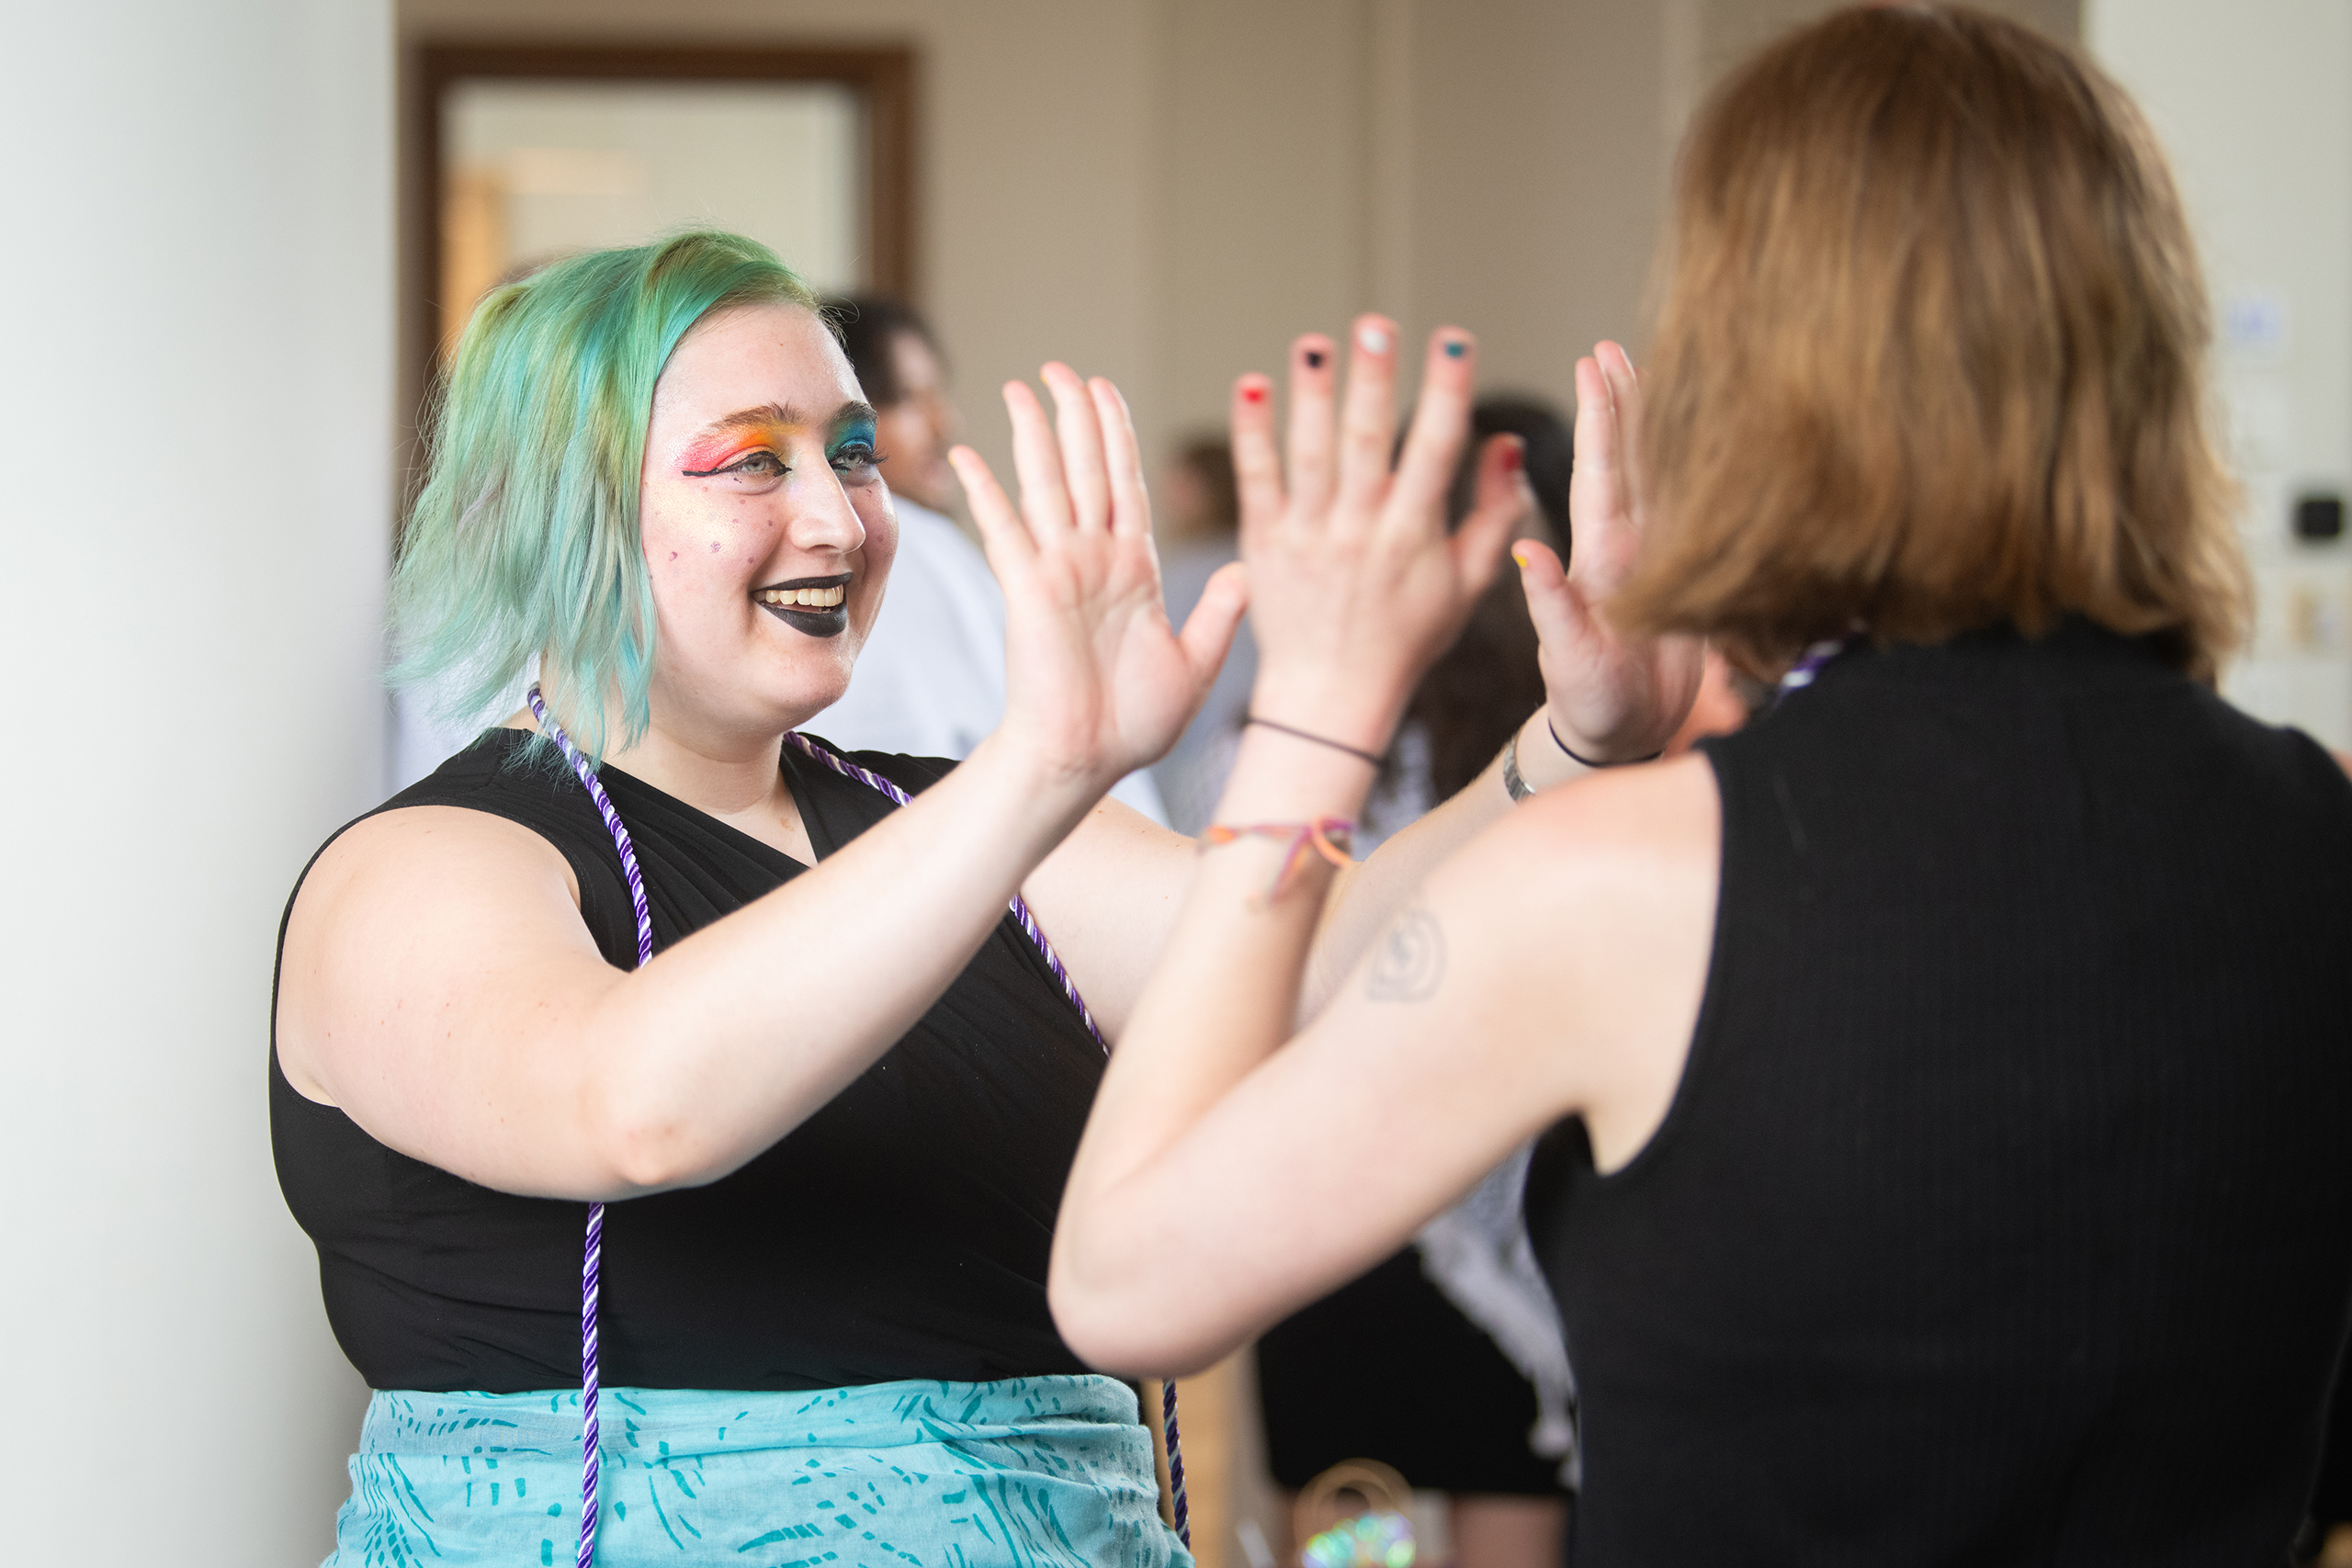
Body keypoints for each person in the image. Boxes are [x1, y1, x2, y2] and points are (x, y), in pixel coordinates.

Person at [1049, 10, 2352, 1565]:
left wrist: (1318, 711)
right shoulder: (2319, 824)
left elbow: (1124, 1281)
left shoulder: (1632, 883)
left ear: (1746, 386)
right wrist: (1579, 743)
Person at [270, 230, 1561, 1566]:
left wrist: (1561, 751)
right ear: (560, 508)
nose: (838, 518)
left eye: (850, 451)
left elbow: (1308, 963)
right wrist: (1048, 760)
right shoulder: (418, 870)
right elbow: (638, 1104)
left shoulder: (935, 818)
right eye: (753, 460)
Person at [1254, 399, 1581, 1568]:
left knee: (1356, 1535)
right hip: (1527, 1220)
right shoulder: (1599, 734)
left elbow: (1234, 924)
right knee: (1514, 1529)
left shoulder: (1328, 721)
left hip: (1339, 1224)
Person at [815, 294, 1166, 819]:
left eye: (940, 395)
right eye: (909, 399)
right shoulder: (894, 546)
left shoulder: (933, 547)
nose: (945, 423)